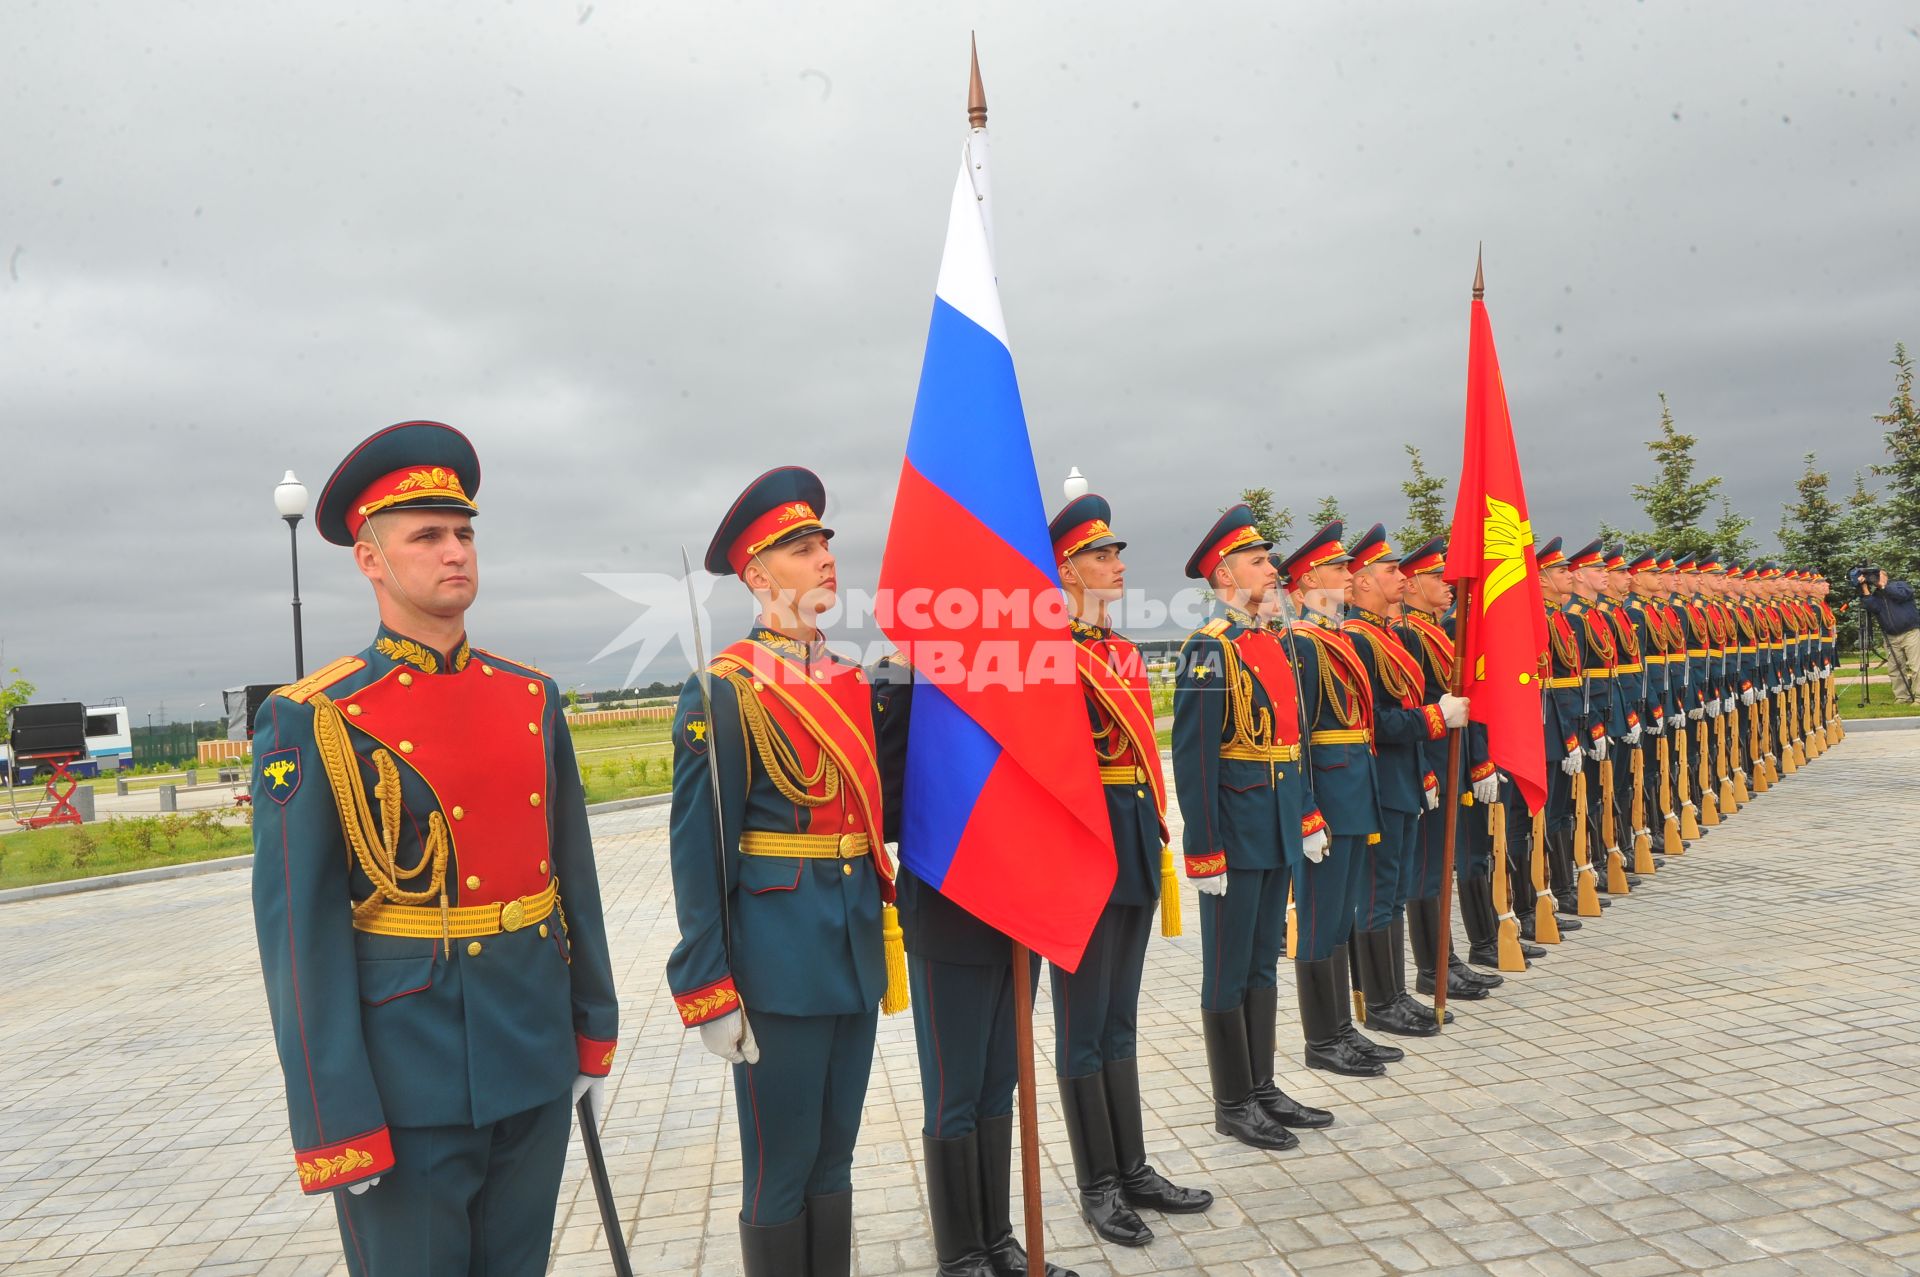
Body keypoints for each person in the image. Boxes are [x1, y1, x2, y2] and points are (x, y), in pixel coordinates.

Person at [249, 420, 619, 1277]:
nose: (455, 551)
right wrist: (337, 1121)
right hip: (406, 1083)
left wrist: (589, 1029)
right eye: (427, 536)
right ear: (370, 560)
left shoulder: (532, 697)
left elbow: (575, 879)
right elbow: (299, 943)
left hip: (531, 1055)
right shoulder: (315, 718)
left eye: (464, 533)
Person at [666, 467, 896, 1277]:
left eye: (826, 544)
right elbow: (698, 851)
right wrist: (709, 987)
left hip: (853, 949)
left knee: (835, 1159)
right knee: (779, 1168)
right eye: (804, 549)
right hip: (777, 960)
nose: (827, 559)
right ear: (759, 575)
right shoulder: (724, 690)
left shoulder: (848, 680)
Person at [1034, 493, 1211, 1247]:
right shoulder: (1050, 654)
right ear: (1067, 569)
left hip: (1133, 843)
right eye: (1104, 555)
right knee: (1080, 1028)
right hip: (1082, 852)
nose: (1119, 564)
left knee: (1118, 1022)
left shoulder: (1120, 652)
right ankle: (1098, 1184)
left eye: (1116, 552)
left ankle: (1132, 1165)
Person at [1172, 504, 1336, 1141]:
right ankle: (1232, 1102)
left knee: (1263, 963)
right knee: (1226, 967)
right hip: (1235, 832)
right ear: (1223, 575)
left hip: (1275, 826)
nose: (1272, 571)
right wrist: (1204, 849)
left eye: (1267, 560)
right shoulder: (1207, 651)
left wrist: (1306, 813)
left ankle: (1262, 1086)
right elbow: (1195, 759)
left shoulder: (1267, 644)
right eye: (1258, 562)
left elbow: (1291, 742)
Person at [1278, 521, 1404, 1076]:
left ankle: (1341, 1029)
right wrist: (1307, 809)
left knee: (1340, 918)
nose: (1348, 575)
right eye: (1336, 569)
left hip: (1354, 787)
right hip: (1328, 793)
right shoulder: (1302, 644)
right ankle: (1321, 1040)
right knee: (1320, 917)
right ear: (1309, 580)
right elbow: (1298, 736)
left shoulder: (1334, 638)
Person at [1339, 524, 1468, 1034]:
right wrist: (1436, 719)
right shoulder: (1360, 640)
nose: (1401, 578)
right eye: (1391, 571)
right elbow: (1377, 721)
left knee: (1392, 891)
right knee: (1378, 892)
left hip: (1406, 777)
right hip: (1380, 781)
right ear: (1364, 583)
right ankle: (1380, 999)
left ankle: (1392, 993)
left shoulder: (1389, 636)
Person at [1396, 535, 1525, 987]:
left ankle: (1447, 963)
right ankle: (1434, 970)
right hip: (1431, 766)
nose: (1448, 582)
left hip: (1450, 760)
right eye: (1436, 576)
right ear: (1411, 586)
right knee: (1428, 872)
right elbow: (1416, 707)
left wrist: (1477, 759)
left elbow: (1466, 705)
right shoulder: (1409, 635)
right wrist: (1430, 770)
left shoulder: (1430, 631)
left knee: (1438, 870)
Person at [1860, 569, 1920, 703]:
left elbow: (1902, 595)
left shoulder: (1900, 585)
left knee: (1917, 667)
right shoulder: (1876, 595)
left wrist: (1883, 586)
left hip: (1910, 632)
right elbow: (1872, 608)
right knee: (1895, 668)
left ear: (1885, 576)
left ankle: (1919, 698)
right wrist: (1864, 587)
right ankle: (1902, 697)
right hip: (1891, 636)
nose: (1875, 578)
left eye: (1878, 575)